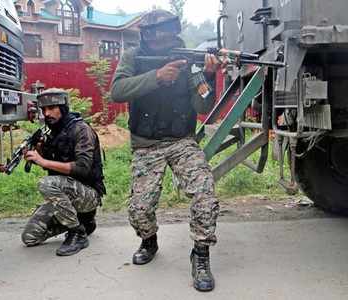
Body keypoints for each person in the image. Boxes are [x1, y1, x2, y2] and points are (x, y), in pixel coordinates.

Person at [110, 9, 221, 292]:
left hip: (182, 142)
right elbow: (118, 91)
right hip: (147, 144)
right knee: (140, 209)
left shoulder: (188, 59)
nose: (164, 36)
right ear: (147, 34)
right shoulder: (133, 57)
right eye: (159, 31)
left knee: (205, 192)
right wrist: (157, 77)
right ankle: (149, 240)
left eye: (168, 30)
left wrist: (208, 76)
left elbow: (203, 107)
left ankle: (201, 254)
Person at [21, 88, 106, 256]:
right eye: (44, 109)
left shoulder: (81, 129)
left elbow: (82, 168)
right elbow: (54, 164)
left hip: (88, 194)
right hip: (66, 194)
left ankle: (77, 232)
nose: (47, 113)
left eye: (52, 108)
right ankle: (85, 223)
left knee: (46, 184)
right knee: (29, 237)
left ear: (63, 107)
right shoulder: (52, 131)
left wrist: (43, 161)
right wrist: (38, 152)